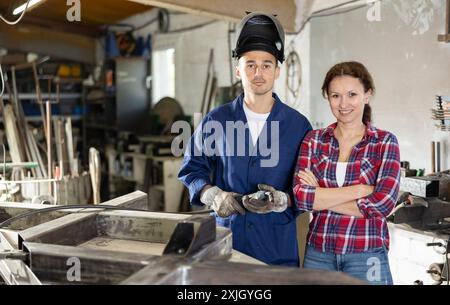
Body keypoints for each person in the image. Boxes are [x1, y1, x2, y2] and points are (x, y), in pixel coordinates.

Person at [178, 12, 312, 266]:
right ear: (238, 70)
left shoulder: (298, 126)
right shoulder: (216, 121)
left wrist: (284, 200)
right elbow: (192, 170)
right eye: (250, 64)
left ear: (277, 71)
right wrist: (213, 195)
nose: (258, 72)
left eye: (266, 64)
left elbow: (308, 187)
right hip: (227, 245)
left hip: (276, 251)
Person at [293, 61, 400, 284]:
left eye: (352, 94)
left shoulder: (384, 142)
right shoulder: (314, 140)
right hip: (318, 252)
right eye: (335, 96)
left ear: (367, 95)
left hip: (366, 253)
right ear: (327, 97)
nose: (343, 104)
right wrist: (360, 190)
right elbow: (301, 198)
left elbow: (382, 205)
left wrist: (320, 196)